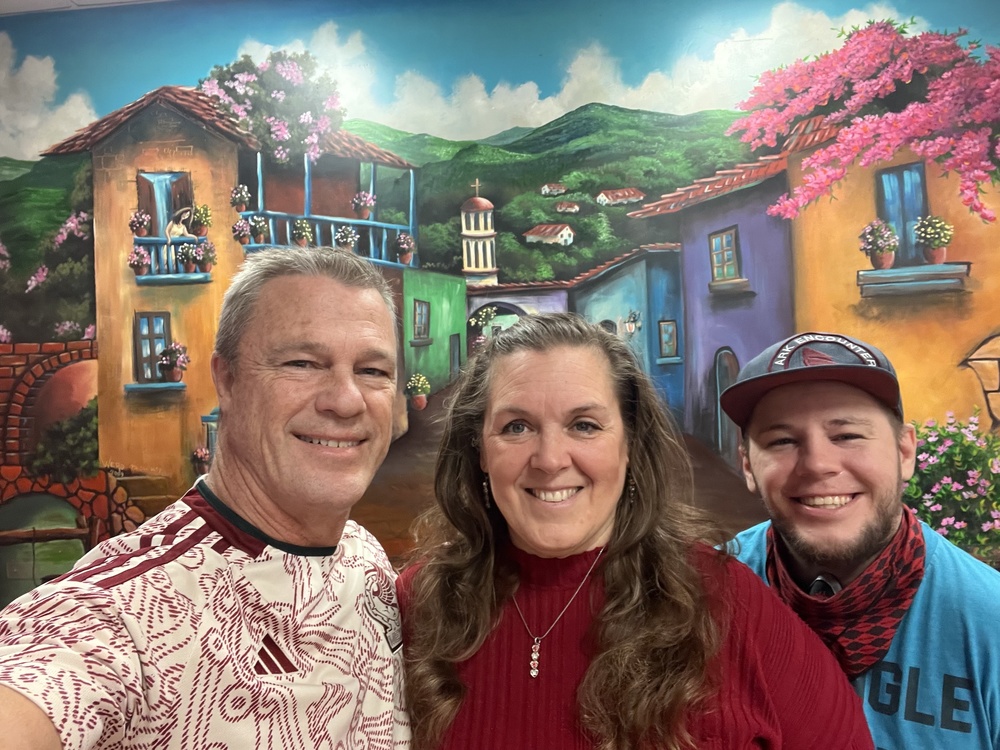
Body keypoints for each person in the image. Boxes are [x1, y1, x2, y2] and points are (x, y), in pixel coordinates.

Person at [397, 313, 874, 750]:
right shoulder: (414, 605)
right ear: (480, 449)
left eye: (584, 425)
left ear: (628, 444)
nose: (549, 459)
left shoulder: (729, 604)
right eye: (516, 426)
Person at [0, 246, 411, 749]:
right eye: (303, 363)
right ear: (227, 380)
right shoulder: (124, 614)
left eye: (373, 371)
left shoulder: (365, 560)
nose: (346, 400)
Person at [722, 331, 1000, 750]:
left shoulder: (988, 622)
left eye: (847, 435)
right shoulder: (703, 597)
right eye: (782, 441)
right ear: (748, 466)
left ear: (905, 452)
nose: (817, 465)